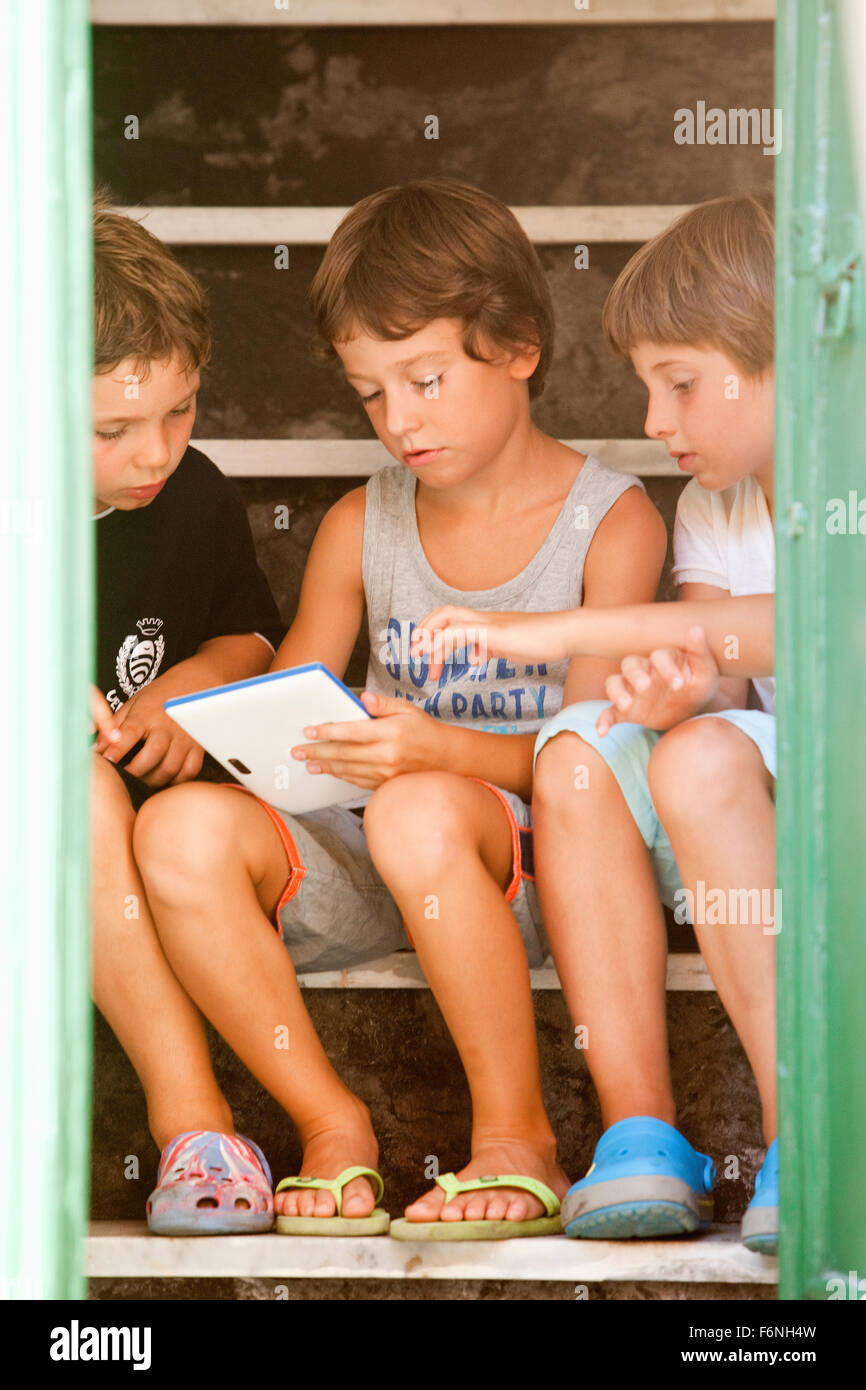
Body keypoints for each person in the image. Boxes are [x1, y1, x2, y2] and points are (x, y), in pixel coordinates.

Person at [132, 177, 667, 1237]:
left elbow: (590, 766)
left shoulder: (610, 523)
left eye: (423, 379)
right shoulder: (356, 524)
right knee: (177, 828)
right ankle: (331, 1129)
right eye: (369, 393)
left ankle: (515, 1137)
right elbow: (285, 703)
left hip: (523, 864)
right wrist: (236, 726)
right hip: (371, 852)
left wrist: (435, 751)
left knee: (419, 807)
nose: (397, 421)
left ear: (515, 347)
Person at [411, 192, 780, 1253]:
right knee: (577, 742)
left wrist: (544, 629)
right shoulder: (715, 503)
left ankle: (810, 1129)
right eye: (645, 389)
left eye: (678, 385)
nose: (656, 422)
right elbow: (713, 650)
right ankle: (639, 1130)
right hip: (760, 777)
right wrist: (670, 689)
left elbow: (802, 624)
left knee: (703, 758)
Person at [89, 194, 286, 1235]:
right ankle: (188, 1110)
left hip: (157, 825)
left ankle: (198, 1139)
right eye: (113, 428)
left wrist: (185, 689)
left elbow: (250, 636)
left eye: (181, 411)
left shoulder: (193, 497)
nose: (154, 452)